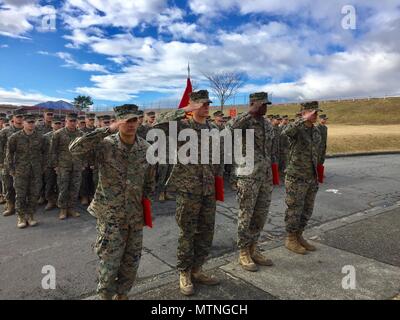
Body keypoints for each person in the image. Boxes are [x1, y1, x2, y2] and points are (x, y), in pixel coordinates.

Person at [69, 104, 155, 300]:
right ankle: (105, 297)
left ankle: (123, 294)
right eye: (127, 120)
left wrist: (145, 206)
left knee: (131, 261)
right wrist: (107, 129)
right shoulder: (106, 145)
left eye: (135, 120)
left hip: (135, 215)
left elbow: (149, 180)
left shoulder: (146, 148)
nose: (131, 124)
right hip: (110, 216)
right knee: (109, 262)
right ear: (118, 122)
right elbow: (75, 149)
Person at [154, 90, 222, 296]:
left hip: (208, 188)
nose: (206, 107)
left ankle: (198, 269)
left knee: (206, 232)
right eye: (201, 104)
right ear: (192, 106)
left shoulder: (212, 128)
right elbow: (158, 124)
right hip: (188, 188)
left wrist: (217, 179)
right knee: (187, 233)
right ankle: (184, 272)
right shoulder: (183, 126)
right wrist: (184, 110)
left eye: (207, 103)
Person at [226, 92, 278, 271]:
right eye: (262, 104)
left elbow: (271, 150)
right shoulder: (244, 122)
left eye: (266, 104)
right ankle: (243, 252)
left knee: (260, 215)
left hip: (264, 176)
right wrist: (249, 112)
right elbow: (227, 131)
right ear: (253, 103)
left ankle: (254, 248)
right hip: (247, 177)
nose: (265, 107)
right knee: (245, 215)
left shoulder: (267, 124)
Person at [282, 101, 322, 254]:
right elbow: (285, 132)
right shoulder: (297, 129)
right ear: (304, 113)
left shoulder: (316, 131)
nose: (315, 116)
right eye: (313, 113)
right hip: (296, 176)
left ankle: (299, 235)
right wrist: (303, 119)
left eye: (316, 113)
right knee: (294, 209)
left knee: (307, 209)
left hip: (311, 176)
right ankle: (290, 238)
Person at [6, 114, 45, 228]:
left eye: (32, 122)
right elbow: (9, 154)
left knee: (34, 194)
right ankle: (21, 217)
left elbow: (46, 152)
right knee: (21, 195)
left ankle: (31, 215)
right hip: (20, 171)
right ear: (23, 123)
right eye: (28, 122)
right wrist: (11, 169)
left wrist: (43, 167)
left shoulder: (40, 137)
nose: (31, 124)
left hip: (35, 170)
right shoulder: (15, 137)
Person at [50, 112, 83, 220]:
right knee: (63, 188)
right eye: (71, 121)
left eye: (74, 121)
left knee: (75, 188)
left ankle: (71, 208)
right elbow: (53, 151)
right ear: (66, 121)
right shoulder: (58, 134)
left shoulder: (81, 134)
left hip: (77, 165)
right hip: (63, 165)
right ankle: (63, 209)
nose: (73, 123)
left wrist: (83, 163)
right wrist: (55, 165)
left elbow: (84, 150)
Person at [0, 109, 24, 216]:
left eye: (21, 117)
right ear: (13, 118)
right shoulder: (5, 131)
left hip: (23, 164)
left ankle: (23, 207)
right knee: (9, 186)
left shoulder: (28, 130)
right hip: (8, 164)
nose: (20, 119)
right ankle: (10, 206)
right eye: (18, 117)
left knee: (22, 187)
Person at [43, 116, 63, 211]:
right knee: (49, 183)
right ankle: (50, 201)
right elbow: (42, 151)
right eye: (56, 123)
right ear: (52, 125)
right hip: (49, 164)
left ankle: (60, 201)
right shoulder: (46, 137)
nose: (58, 125)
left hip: (62, 164)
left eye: (59, 123)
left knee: (61, 184)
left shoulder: (64, 135)